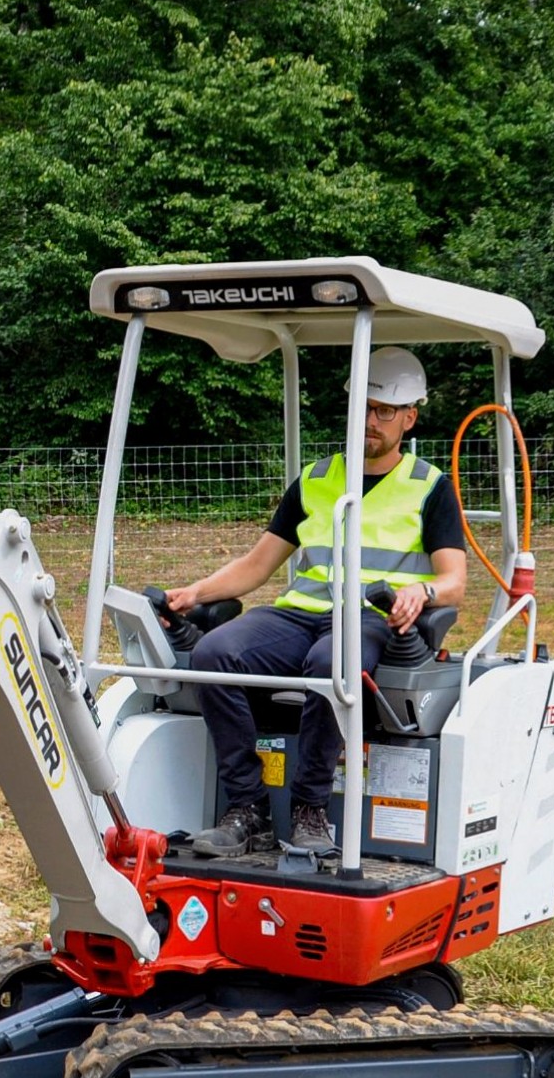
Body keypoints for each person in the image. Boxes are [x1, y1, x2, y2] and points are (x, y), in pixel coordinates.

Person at [165, 347, 469, 858]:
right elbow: (257, 565)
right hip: (299, 613)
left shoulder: (430, 487)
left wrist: (422, 591)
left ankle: (310, 808)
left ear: (409, 417)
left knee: (331, 663)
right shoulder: (315, 478)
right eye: (363, 408)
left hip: (369, 621)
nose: (370, 421)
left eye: (384, 411)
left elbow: (454, 580)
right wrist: (194, 593)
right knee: (214, 655)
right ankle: (248, 811)